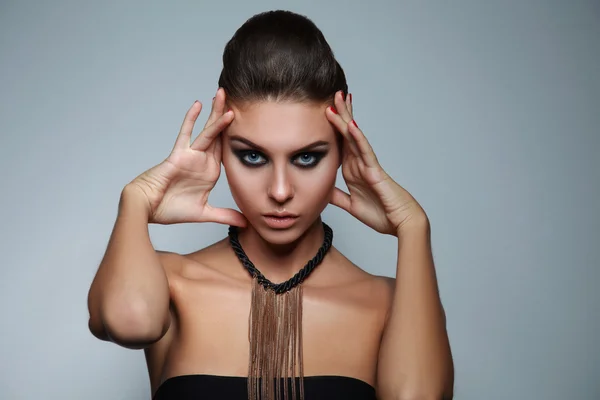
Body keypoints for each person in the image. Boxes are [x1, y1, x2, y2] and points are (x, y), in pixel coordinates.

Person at [87, 9, 454, 400]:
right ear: (220, 150)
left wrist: (413, 228)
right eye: (253, 157)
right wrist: (136, 201)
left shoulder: (387, 303)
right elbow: (128, 322)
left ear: (345, 152)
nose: (280, 190)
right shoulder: (171, 282)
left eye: (307, 157)